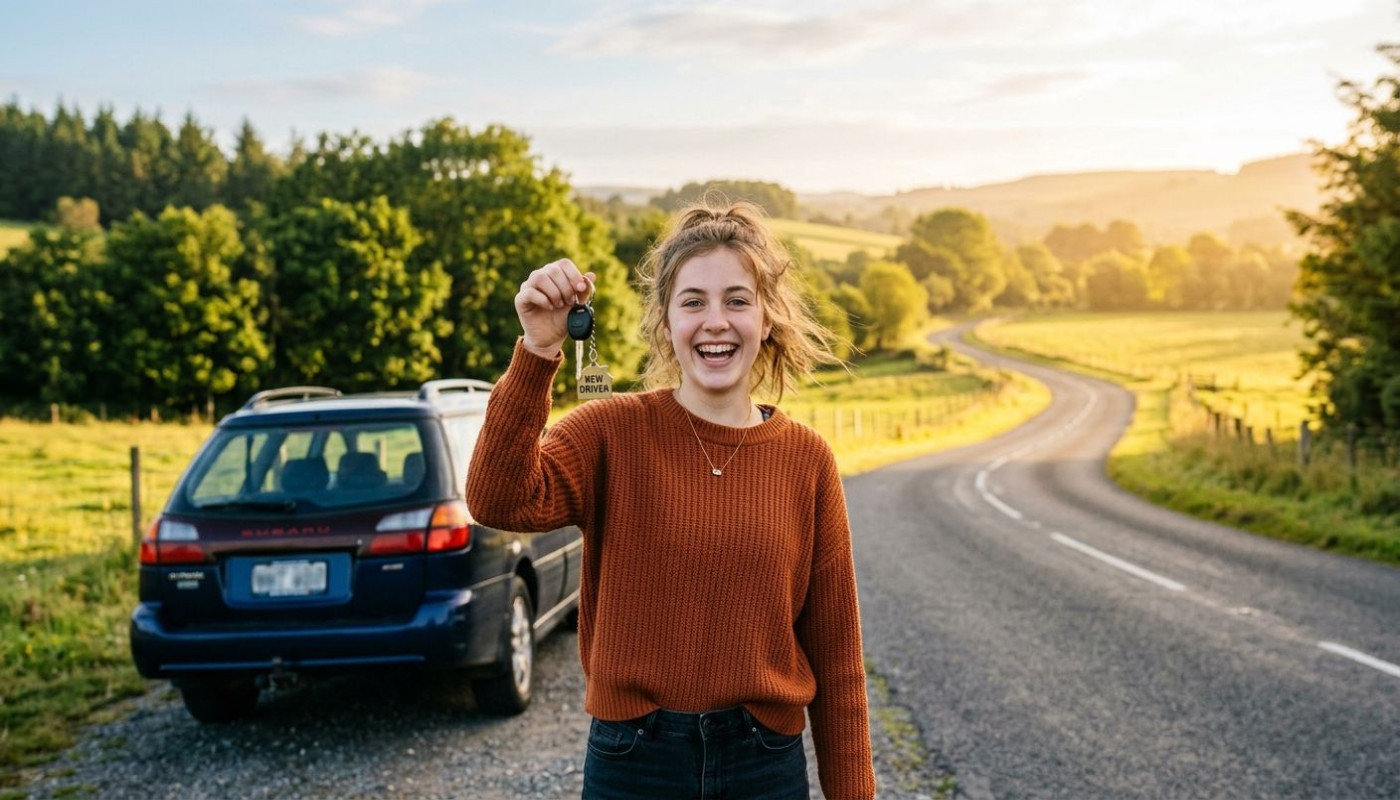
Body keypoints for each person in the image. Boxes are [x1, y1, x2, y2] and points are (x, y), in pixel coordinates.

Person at [466, 201, 875, 800]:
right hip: (635, 761)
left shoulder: (806, 460)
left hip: (764, 763)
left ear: (766, 320)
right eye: (693, 302)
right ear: (665, 323)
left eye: (737, 300)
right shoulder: (609, 432)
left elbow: (838, 662)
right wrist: (537, 350)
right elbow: (497, 499)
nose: (716, 321)